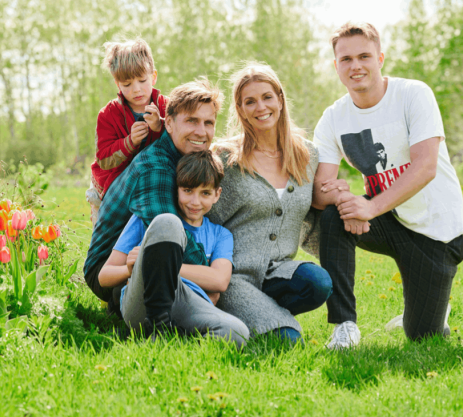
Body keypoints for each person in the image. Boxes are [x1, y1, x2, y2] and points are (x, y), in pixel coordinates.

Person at [311, 22, 463, 349]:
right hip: (389, 220)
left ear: (380, 58)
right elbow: (320, 189)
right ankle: (345, 326)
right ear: (336, 66)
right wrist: (342, 197)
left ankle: (430, 312)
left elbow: (425, 167)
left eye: (364, 56)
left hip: (435, 233)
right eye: (346, 59)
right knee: (331, 217)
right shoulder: (333, 117)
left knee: (422, 336)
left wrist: (368, 207)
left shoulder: (413, 94)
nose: (356, 66)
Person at [207, 62, 333, 343]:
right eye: (249, 101)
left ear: (280, 98)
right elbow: (204, 218)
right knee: (288, 341)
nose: (260, 107)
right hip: (233, 276)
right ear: (240, 110)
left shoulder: (307, 155)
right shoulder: (226, 158)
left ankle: (261, 312)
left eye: (266, 97)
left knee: (319, 283)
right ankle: (254, 314)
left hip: (279, 272)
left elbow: (315, 210)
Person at [83, 79, 223, 329]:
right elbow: (170, 232)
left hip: (153, 258)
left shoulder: (190, 160)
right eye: (191, 121)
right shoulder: (155, 167)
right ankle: (158, 323)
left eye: (208, 123)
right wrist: (210, 275)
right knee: (168, 227)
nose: (201, 132)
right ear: (168, 123)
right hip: (114, 269)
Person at [97, 150, 249, 348]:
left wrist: (152, 262)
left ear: (217, 194)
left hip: (188, 302)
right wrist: (130, 269)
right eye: (187, 190)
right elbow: (104, 276)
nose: (195, 202)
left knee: (238, 332)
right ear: (176, 189)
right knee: (168, 222)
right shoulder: (150, 219)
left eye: (205, 193)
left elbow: (220, 280)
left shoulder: (221, 235)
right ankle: (157, 329)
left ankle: (173, 344)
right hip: (143, 303)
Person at [86, 38, 167, 226]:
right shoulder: (108, 114)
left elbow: (179, 144)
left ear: (153, 76)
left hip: (152, 186)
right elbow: (104, 159)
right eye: (127, 84)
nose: (136, 89)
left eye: (142, 80)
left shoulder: (166, 107)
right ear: (117, 84)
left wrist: (160, 127)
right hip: (111, 187)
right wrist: (129, 142)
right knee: (108, 237)